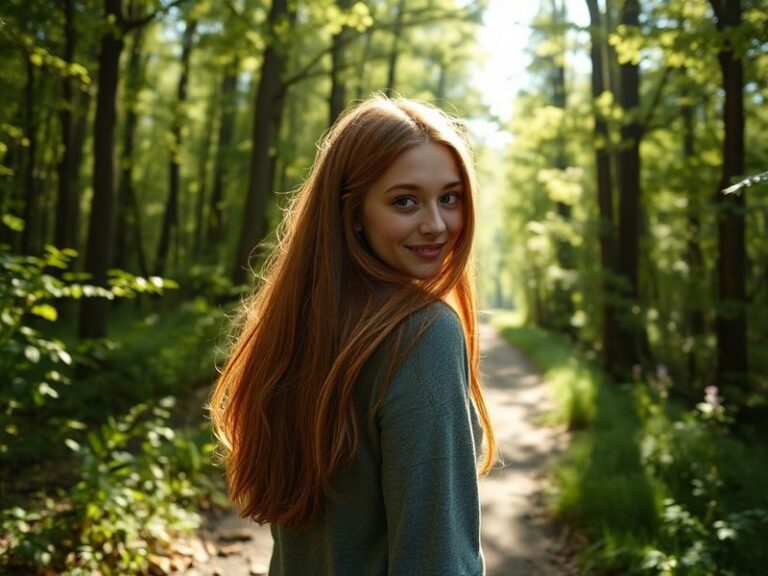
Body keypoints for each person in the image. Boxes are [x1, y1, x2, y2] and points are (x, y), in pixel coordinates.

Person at [209, 95, 497, 576]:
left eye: (449, 197)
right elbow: (438, 560)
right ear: (354, 212)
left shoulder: (300, 325)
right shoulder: (423, 334)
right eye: (405, 201)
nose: (436, 224)